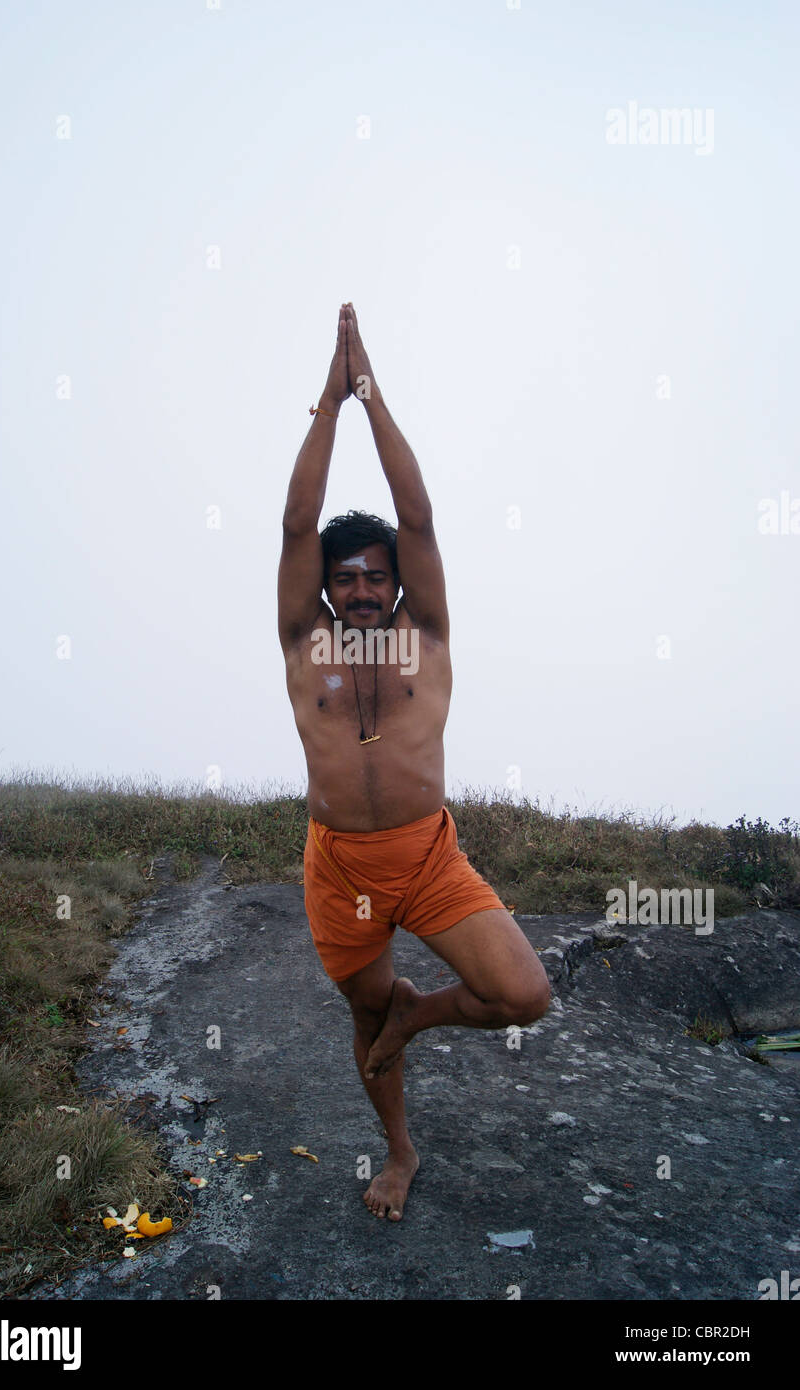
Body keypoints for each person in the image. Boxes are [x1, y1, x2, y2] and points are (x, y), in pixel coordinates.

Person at [278, 303, 550, 1221]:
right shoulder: (302, 638)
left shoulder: (425, 636)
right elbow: (295, 522)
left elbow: (418, 515)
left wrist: (367, 393)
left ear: (398, 584)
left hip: (427, 857)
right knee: (364, 1013)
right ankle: (400, 1153)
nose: (359, 589)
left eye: (374, 575)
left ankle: (420, 1013)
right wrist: (325, 402)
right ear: (326, 586)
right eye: (344, 576)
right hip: (339, 865)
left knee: (523, 995)